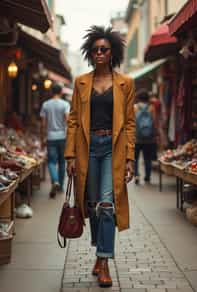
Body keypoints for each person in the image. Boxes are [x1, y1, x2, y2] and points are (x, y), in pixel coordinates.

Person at [65, 26, 136, 288]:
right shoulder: (81, 82)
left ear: (113, 52)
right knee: (93, 204)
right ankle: (99, 249)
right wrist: (70, 155)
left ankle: (104, 261)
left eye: (104, 49)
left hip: (112, 149)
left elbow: (129, 123)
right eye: (95, 50)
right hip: (87, 147)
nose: (99, 53)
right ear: (89, 52)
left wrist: (130, 158)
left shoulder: (125, 83)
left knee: (107, 206)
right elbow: (73, 120)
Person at [40, 83, 70, 198]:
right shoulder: (65, 104)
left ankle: (55, 181)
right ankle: (60, 186)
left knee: (51, 162)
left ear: (51, 92)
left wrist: (42, 137)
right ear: (61, 92)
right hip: (62, 136)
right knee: (62, 162)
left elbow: (43, 124)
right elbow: (67, 121)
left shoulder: (46, 105)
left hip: (50, 137)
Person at [134, 89, 156, 184]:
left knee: (135, 158)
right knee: (147, 158)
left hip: (136, 138)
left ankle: (136, 175)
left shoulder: (134, 107)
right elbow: (154, 122)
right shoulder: (152, 108)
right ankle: (147, 176)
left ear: (138, 98)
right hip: (149, 139)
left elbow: (131, 123)